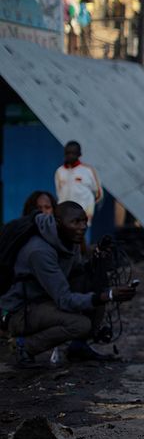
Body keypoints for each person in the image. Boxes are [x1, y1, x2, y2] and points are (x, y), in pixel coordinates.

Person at [0, 202, 136, 368]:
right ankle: (24, 346)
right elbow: (64, 299)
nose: (83, 227)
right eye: (76, 222)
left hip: (44, 298)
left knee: (96, 285)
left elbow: (76, 272)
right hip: (20, 311)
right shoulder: (39, 252)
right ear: (58, 223)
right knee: (80, 324)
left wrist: (97, 260)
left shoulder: (68, 239)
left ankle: (78, 348)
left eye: (84, 221)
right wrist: (107, 296)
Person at [55, 141, 102, 224]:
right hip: (65, 216)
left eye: (73, 153)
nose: (70, 155)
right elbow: (59, 193)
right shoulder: (59, 171)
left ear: (79, 154)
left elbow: (98, 194)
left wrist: (88, 208)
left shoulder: (88, 170)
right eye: (67, 153)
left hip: (82, 217)